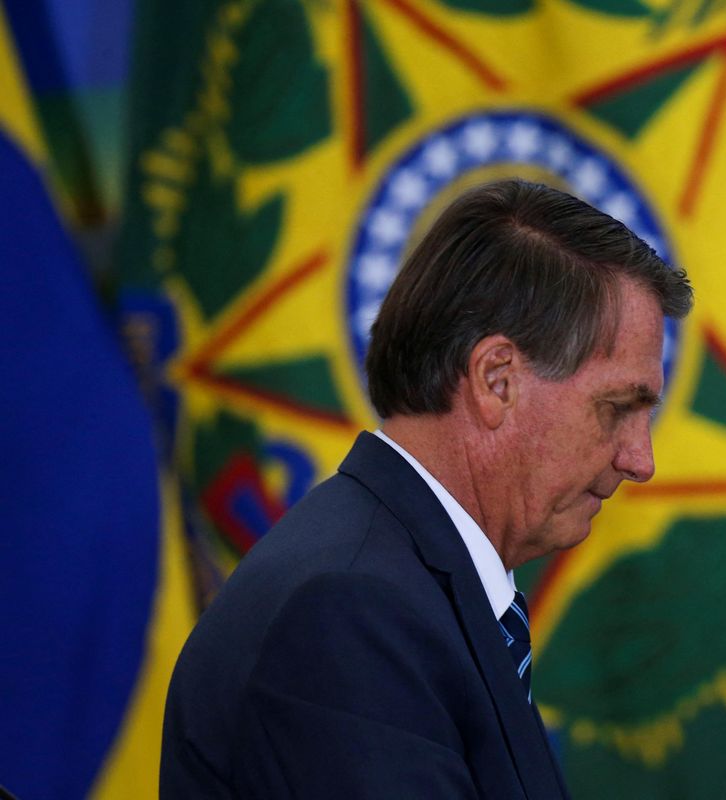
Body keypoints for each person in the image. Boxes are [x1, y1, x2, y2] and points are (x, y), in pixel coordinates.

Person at [160, 179, 694, 798]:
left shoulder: (397, 582)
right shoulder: (349, 612)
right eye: (618, 407)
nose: (640, 459)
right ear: (497, 381)